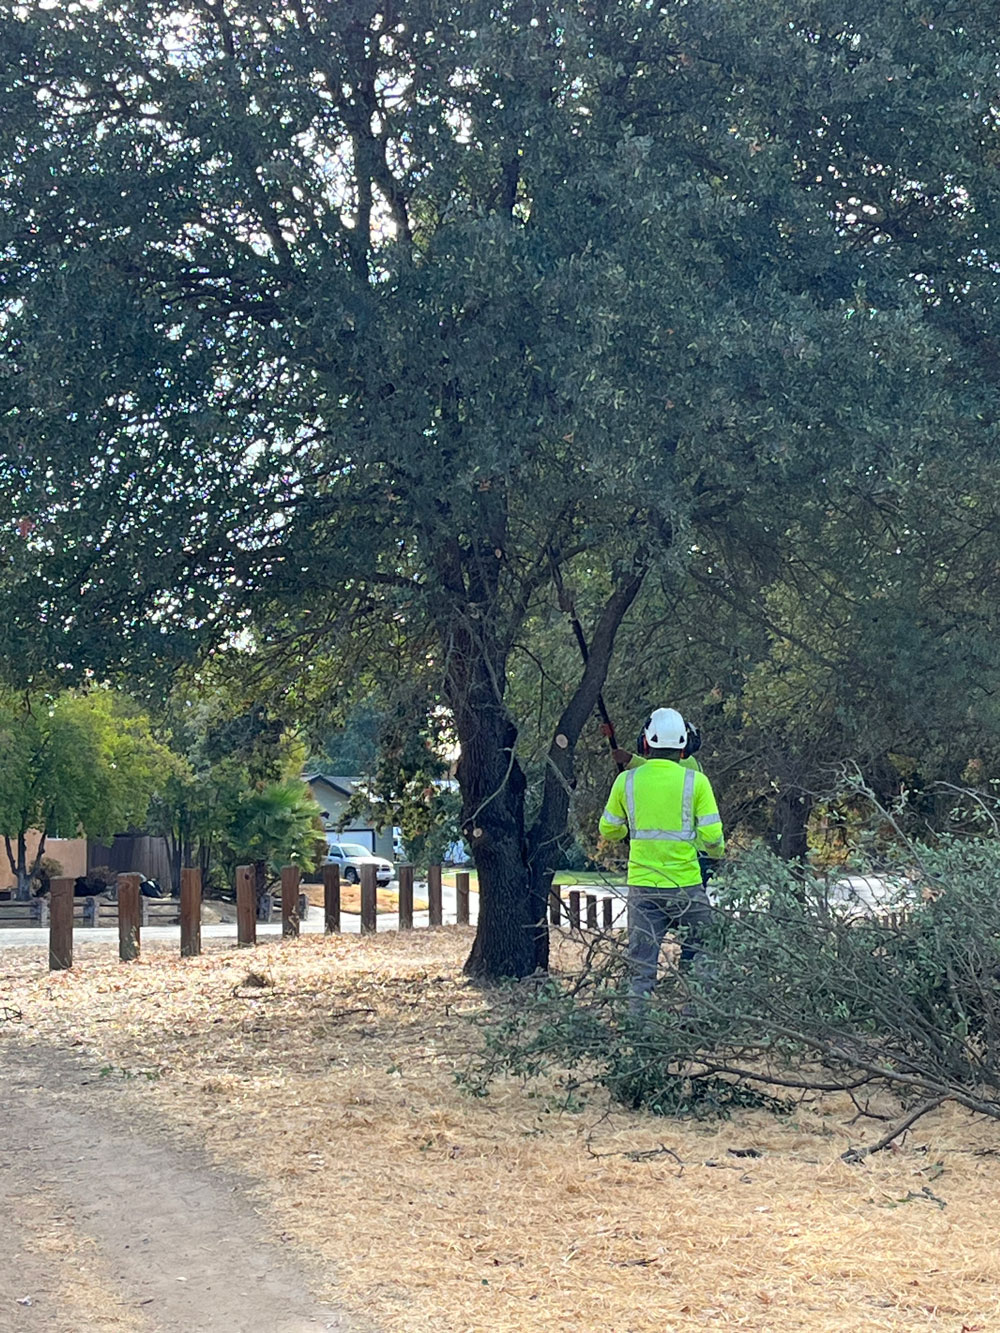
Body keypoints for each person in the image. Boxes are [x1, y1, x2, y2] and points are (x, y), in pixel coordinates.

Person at [599, 707, 725, 1007]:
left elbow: (609, 829)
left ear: (646, 742)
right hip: (686, 886)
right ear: (683, 746)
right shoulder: (696, 781)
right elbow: (713, 839)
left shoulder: (627, 781)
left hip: (643, 888)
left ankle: (638, 1033)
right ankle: (698, 1020)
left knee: (641, 968)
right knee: (706, 948)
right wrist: (717, 855)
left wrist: (628, 833)